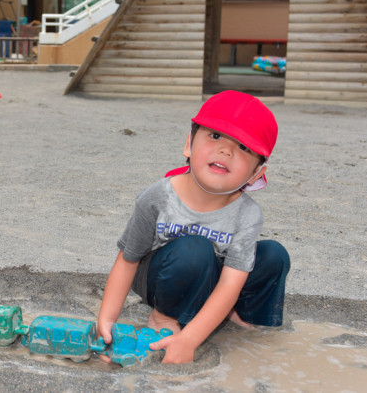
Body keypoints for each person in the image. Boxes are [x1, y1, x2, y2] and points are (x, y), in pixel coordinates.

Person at [96, 90, 290, 364]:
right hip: (163, 276)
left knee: (273, 255)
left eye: (244, 148)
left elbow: (230, 284)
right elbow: (128, 259)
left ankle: (237, 315)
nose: (226, 150)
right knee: (194, 248)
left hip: (215, 279)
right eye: (215, 136)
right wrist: (107, 319)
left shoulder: (247, 214)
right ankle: (165, 316)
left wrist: (191, 340)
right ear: (189, 144)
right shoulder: (157, 197)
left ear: (257, 173)